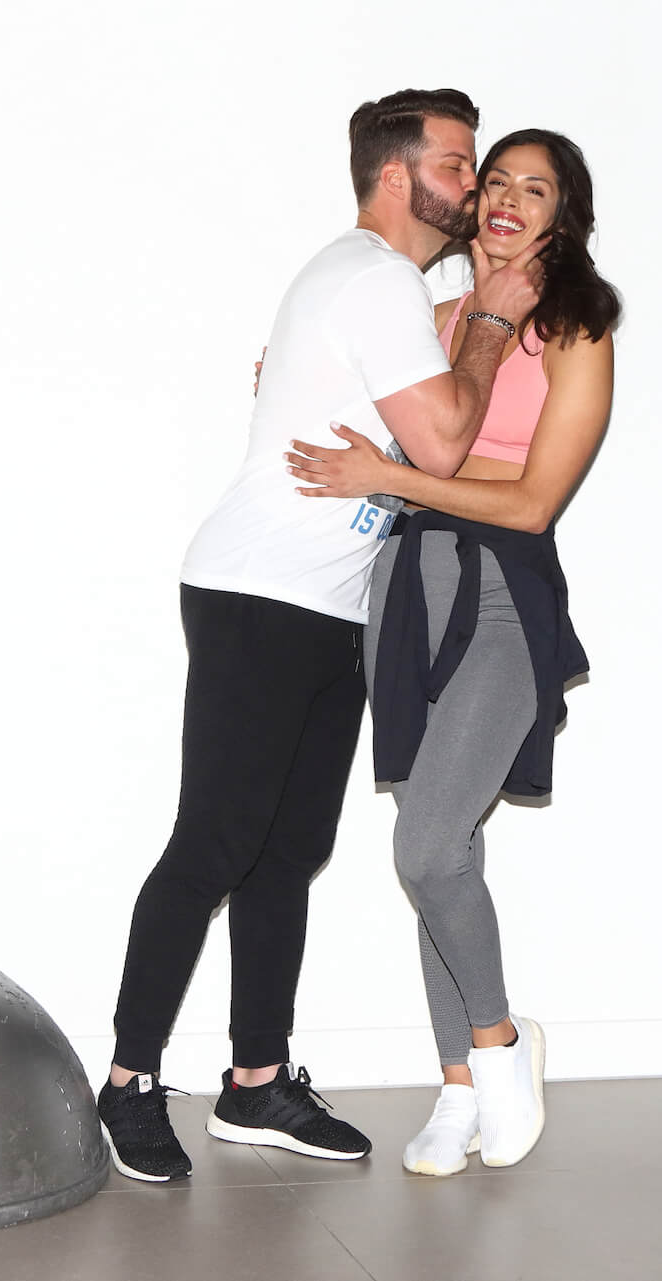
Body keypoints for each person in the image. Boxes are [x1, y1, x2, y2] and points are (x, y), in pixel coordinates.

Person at [96, 88, 544, 1183]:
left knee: (286, 855)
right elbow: (442, 447)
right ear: (397, 175)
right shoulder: (376, 279)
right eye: (457, 165)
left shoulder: (382, 290)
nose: (473, 185)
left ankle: (256, 1081)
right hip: (259, 592)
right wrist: (491, 322)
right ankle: (127, 1082)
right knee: (215, 843)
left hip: (331, 606)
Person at [285, 129, 620, 1175]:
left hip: (506, 594)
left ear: (561, 217)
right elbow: (369, 439)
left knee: (426, 847)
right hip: (405, 596)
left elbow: (532, 501)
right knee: (446, 847)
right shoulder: (434, 324)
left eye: (536, 188)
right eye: (497, 181)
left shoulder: (576, 331)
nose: (509, 198)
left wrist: (395, 478)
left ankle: (501, 1044)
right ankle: (459, 1088)